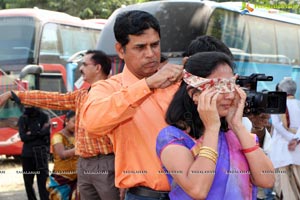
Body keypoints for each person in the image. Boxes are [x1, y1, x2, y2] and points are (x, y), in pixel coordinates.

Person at [81, 10, 183, 199]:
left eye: (155, 45)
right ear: (120, 50)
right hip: (143, 195)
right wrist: (147, 85)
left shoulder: (178, 82)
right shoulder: (108, 88)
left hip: (192, 192)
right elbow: (92, 123)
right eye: (140, 47)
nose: (151, 54)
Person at [0, 50, 121, 200]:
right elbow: (51, 98)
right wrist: (13, 95)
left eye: (84, 64)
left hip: (105, 163)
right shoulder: (81, 95)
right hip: (84, 164)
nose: (80, 68)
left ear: (98, 68)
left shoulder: (115, 94)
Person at [156, 52, 275, 199]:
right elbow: (198, 189)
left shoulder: (233, 133)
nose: (230, 95)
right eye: (219, 87)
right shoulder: (173, 138)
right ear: (195, 94)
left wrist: (237, 126)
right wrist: (211, 129)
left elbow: (267, 179)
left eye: (231, 85)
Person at [269, 78, 300, 199]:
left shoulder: (278, 105)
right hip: (297, 149)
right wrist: (296, 139)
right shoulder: (298, 104)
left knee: (283, 185)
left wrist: (290, 138)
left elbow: (277, 125)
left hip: (281, 150)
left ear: (281, 90)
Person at [18, 106, 51, 200]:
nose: (26, 106)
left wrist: (31, 133)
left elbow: (46, 132)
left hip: (41, 154)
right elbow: (23, 137)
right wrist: (38, 132)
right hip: (27, 155)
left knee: (43, 182)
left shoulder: (44, 116)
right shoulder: (23, 118)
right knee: (28, 182)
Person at [48, 111, 78, 200]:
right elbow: (62, 154)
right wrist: (80, 149)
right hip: (62, 178)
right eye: (74, 122)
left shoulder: (79, 136)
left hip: (78, 177)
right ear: (66, 121)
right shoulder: (58, 136)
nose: (77, 125)